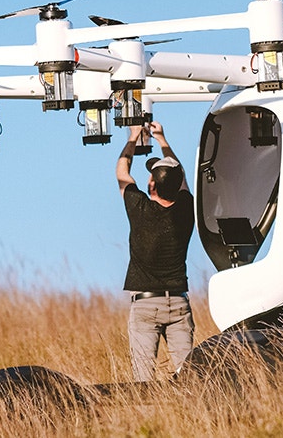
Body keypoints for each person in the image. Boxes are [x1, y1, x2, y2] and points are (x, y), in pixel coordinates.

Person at [116, 121, 195, 382]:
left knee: (143, 378)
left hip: (146, 305)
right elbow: (180, 175)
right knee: (189, 375)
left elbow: (121, 171)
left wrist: (133, 137)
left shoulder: (139, 209)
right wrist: (162, 139)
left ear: (151, 186)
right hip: (179, 302)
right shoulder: (185, 209)